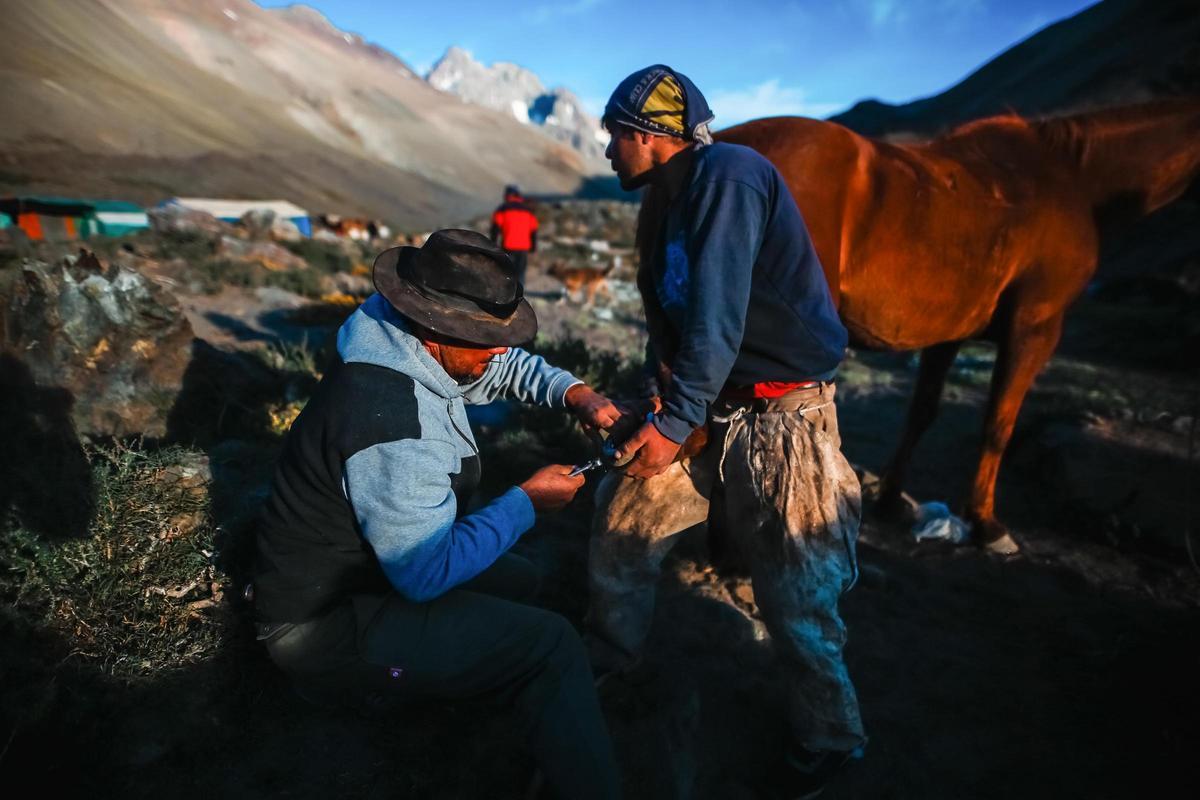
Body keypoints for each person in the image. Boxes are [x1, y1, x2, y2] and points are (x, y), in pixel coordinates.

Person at [253, 229, 622, 800]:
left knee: (523, 579)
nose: (499, 351)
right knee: (551, 643)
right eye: (484, 339)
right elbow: (424, 574)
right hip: (322, 625)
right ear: (433, 330)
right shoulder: (394, 424)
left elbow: (498, 366)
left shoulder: (398, 337)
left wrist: (575, 393)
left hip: (369, 575)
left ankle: (486, 690)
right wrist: (526, 503)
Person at [588, 65, 866, 798]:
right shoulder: (672, 202)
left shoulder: (728, 176)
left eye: (614, 134)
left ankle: (830, 738)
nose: (607, 150)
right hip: (709, 405)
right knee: (623, 518)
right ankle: (610, 671)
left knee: (795, 595)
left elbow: (719, 317)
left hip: (784, 421)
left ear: (649, 135)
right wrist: (661, 396)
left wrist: (674, 422)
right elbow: (679, 325)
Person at [490, 184, 539, 285]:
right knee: (520, 273)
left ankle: (505, 295)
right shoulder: (527, 210)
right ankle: (519, 296)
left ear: (507, 195)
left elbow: (495, 228)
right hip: (523, 247)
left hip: (508, 245)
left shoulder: (503, 209)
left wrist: (492, 244)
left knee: (506, 272)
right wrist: (533, 248)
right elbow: (533, 230)